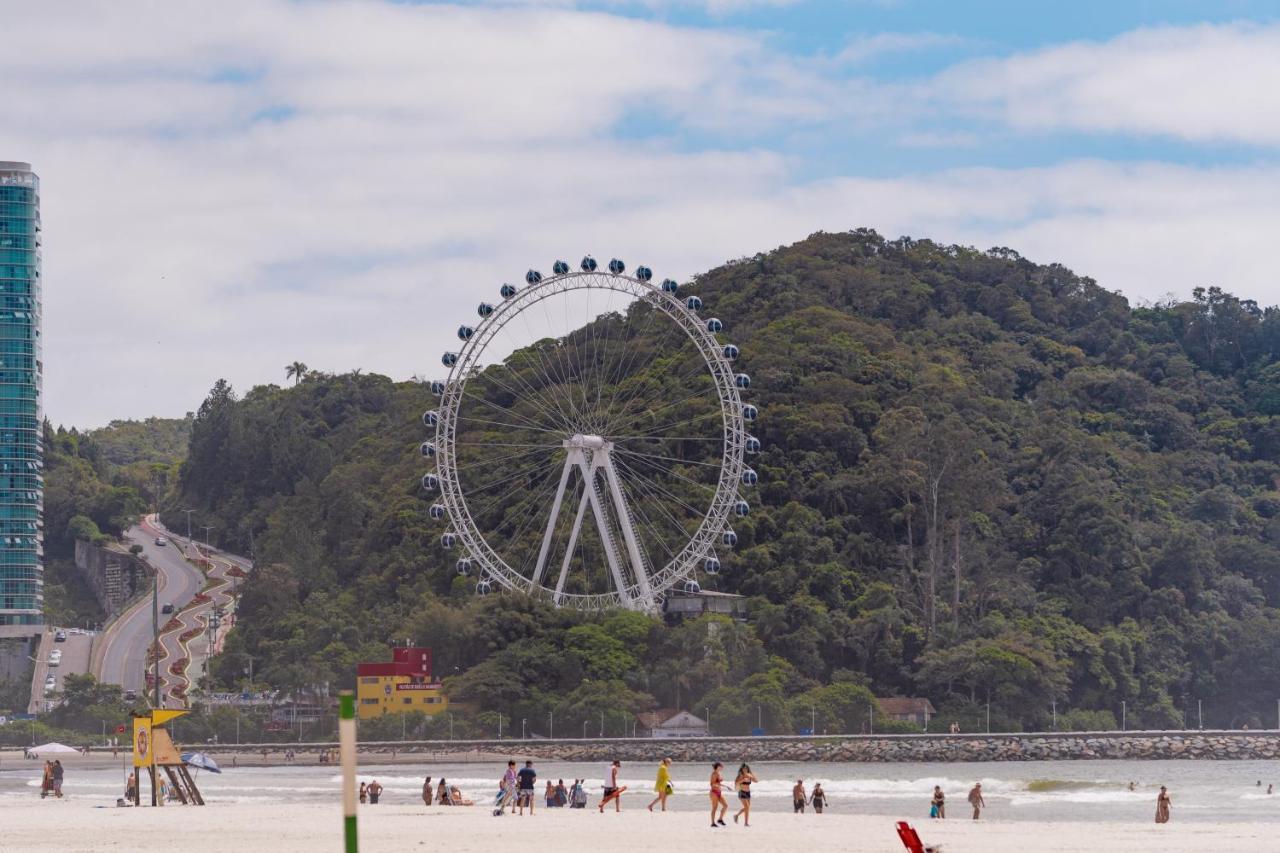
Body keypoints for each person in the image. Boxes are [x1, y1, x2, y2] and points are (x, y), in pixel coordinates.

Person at [709, 762, 728, 827]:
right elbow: (712, 784)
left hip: (719, 792)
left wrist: (726, 786)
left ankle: (720, 819)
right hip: (714, 792)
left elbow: (718, 782)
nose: (722, 767)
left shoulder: (719, 773)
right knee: (714, 808)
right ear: (717, 767)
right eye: (721, 766)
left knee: (725, 805)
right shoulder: (714, 774)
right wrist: (716, 785)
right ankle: (712, 823)